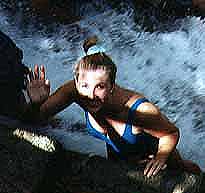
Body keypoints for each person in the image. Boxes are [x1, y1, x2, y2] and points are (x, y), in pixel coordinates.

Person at [23, 36, 201, 178]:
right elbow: (34, 120)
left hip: (156, 160)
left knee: (186, 171)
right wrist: (36, 103)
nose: (90, 95)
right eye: (84, 85)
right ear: (76, 82)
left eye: (99, 87)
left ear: (112, 86)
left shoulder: (137, 109)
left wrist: (161, 157)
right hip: (120, 159)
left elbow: (171, 132)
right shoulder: (74, 92)